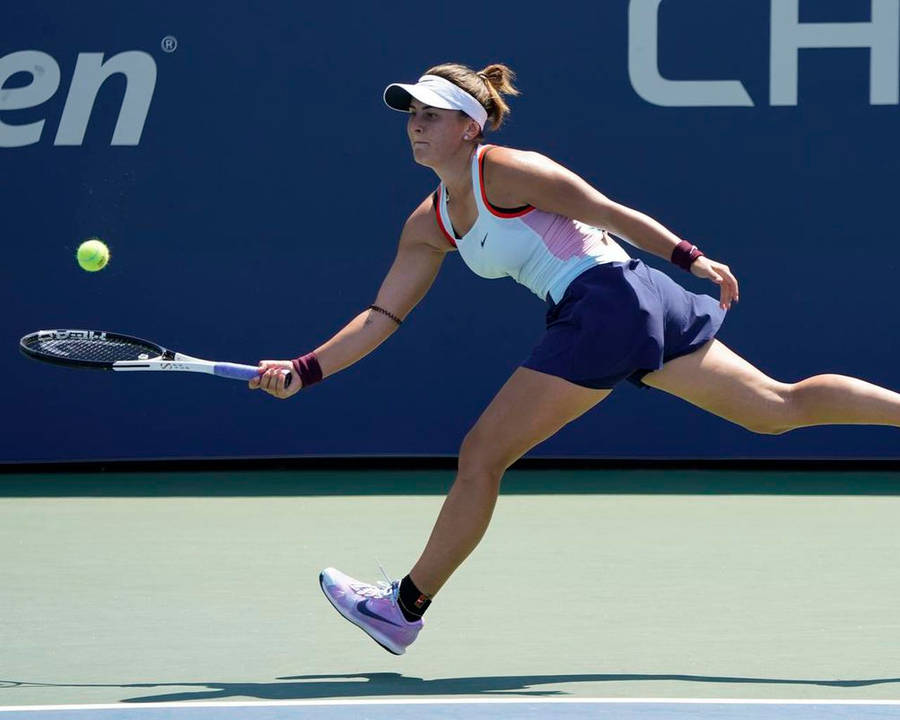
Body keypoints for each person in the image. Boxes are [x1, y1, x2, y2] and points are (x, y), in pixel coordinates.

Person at [249, 63, 900, 655]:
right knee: (773, 410)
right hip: (625, 305)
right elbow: (382, 316)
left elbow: (606, 212)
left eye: (430, 115)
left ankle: (402, 608)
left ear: (469, 126)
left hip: (609, 297)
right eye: (411, 115)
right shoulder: (429, 223)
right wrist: (306, 370)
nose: (415, 126)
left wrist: (689, 255)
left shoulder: (505, 169)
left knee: (481, 456)